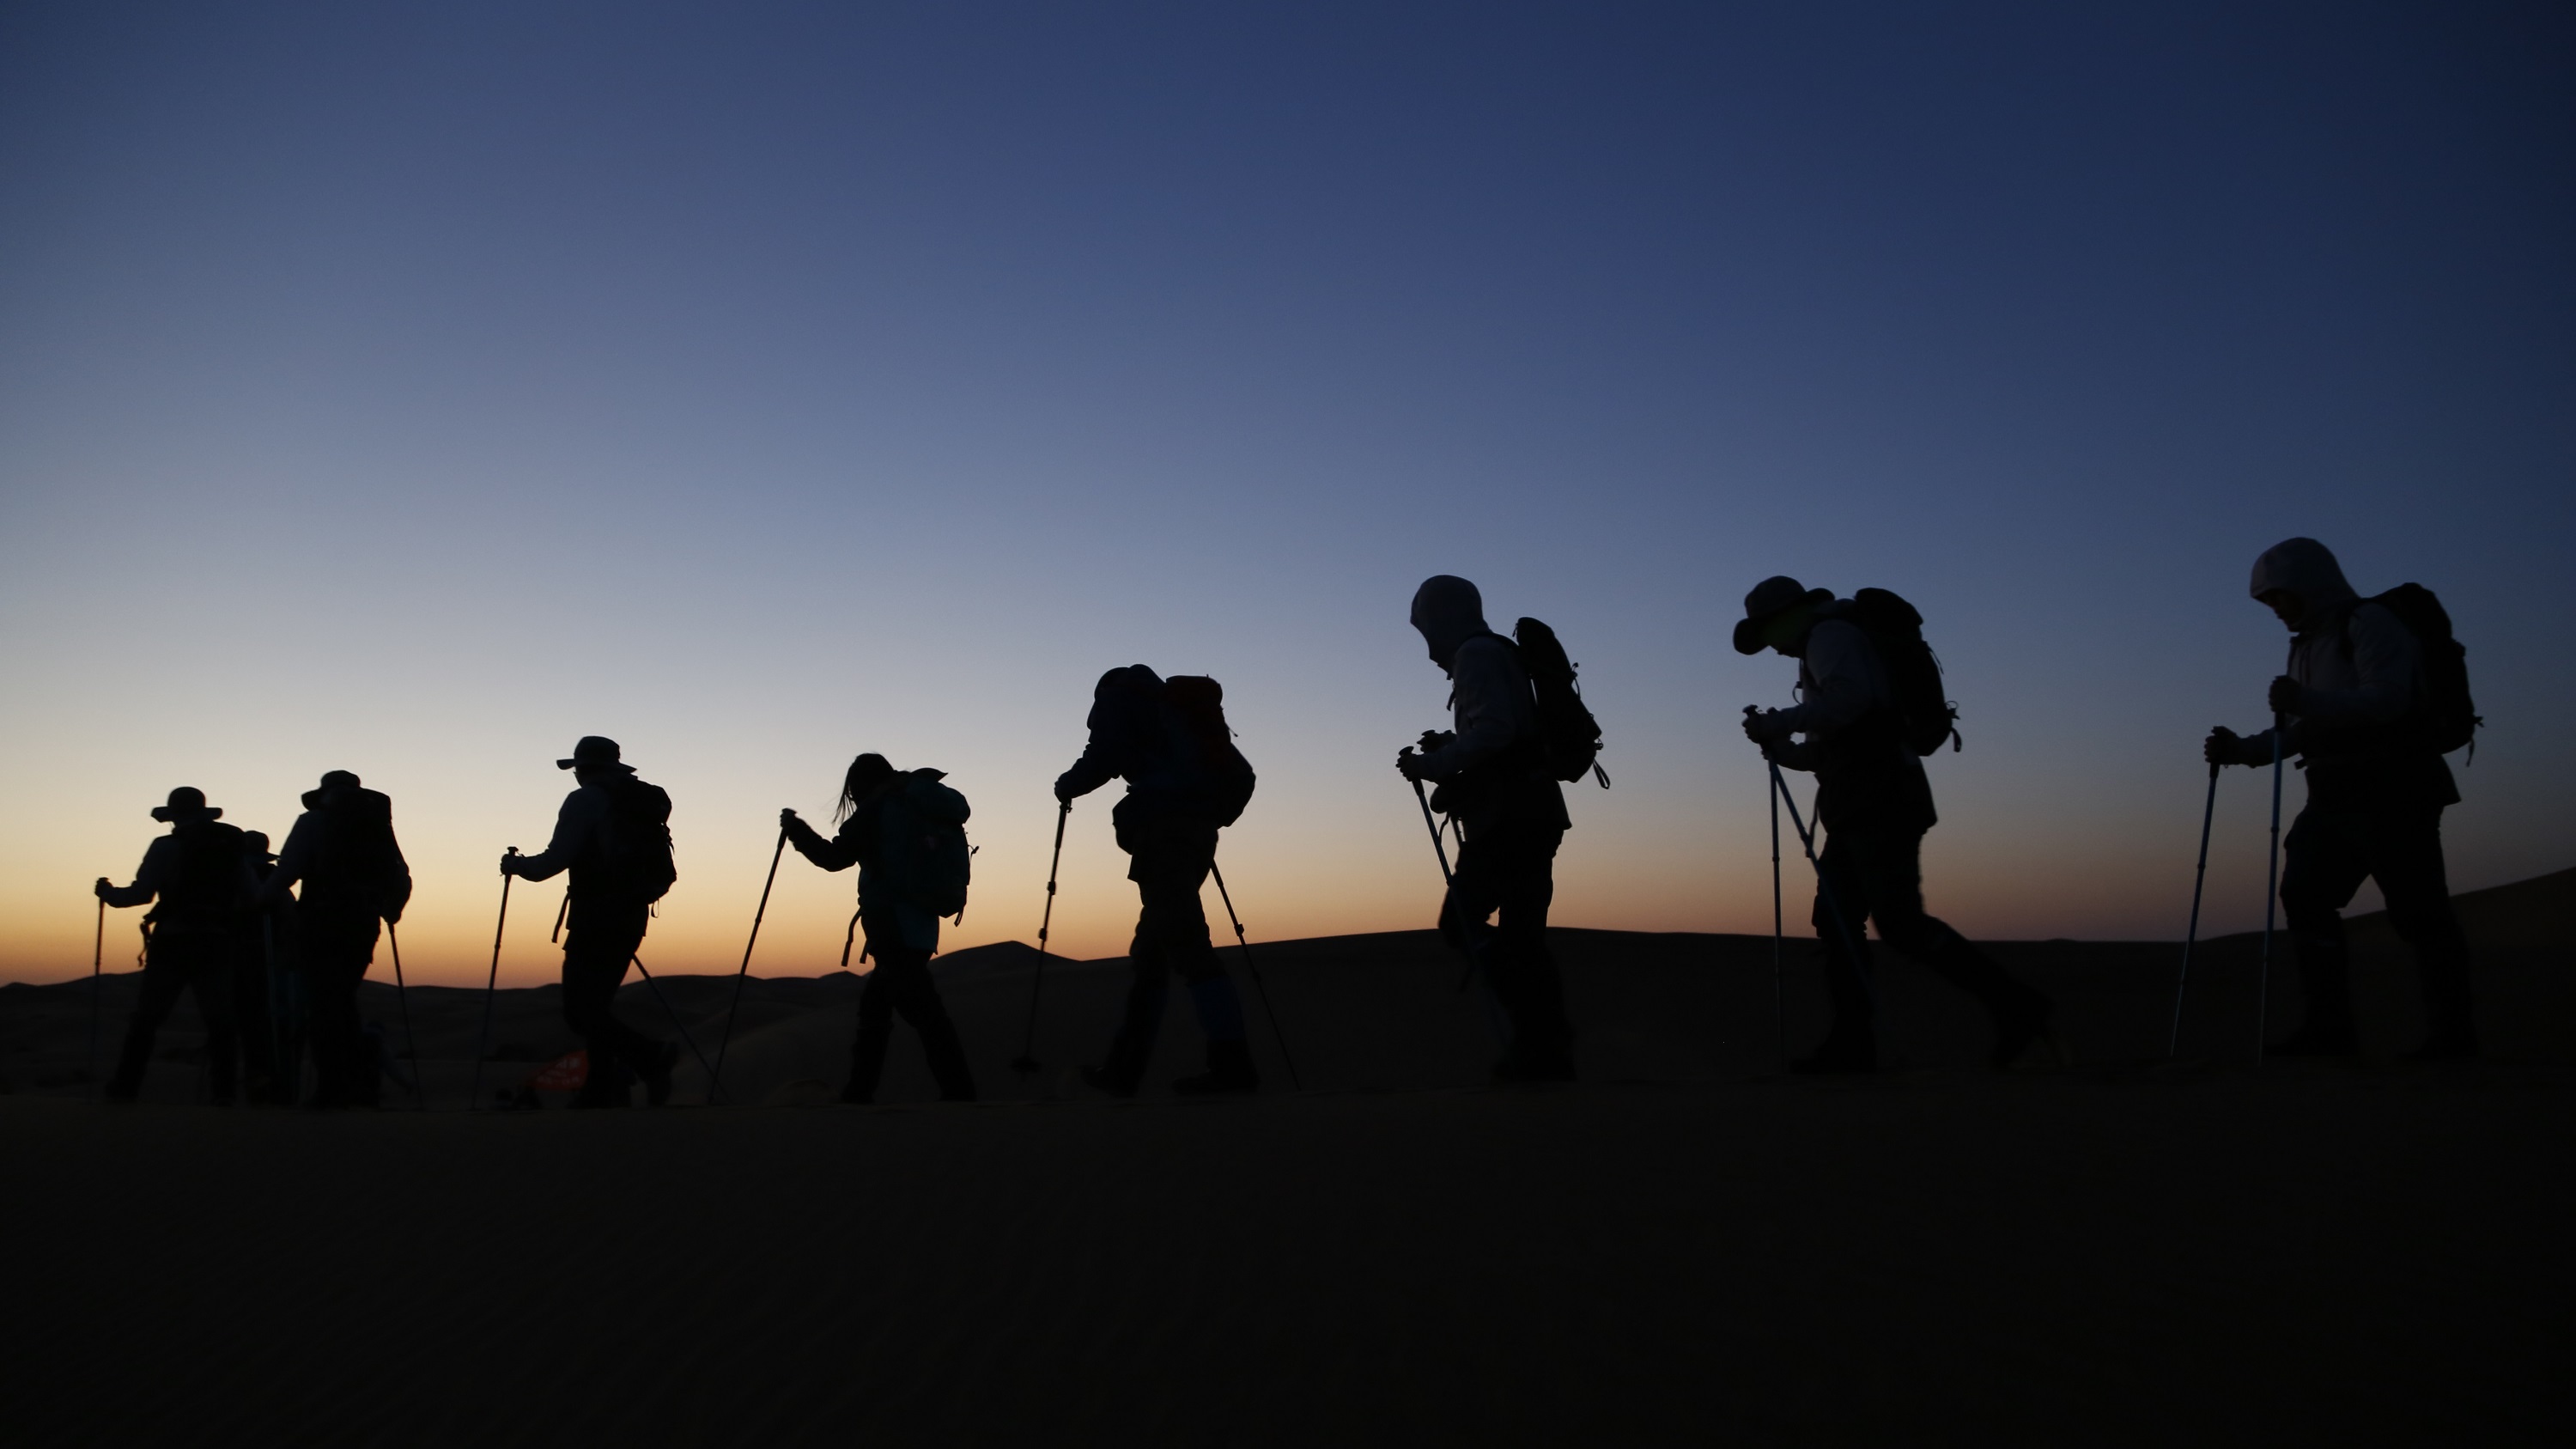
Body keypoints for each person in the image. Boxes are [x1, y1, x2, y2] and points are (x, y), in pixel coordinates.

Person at [1738, 575, 2051, 1073]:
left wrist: (1779, 723)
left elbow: (1851, 703)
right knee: (1839, 921)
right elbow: (1838, 738)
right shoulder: (1824, 642)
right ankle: (1851, 1046)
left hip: (1878, 798)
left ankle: (2020, 1007)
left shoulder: (1830, 638)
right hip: (1861, 799)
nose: (1772, 648)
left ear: (1785, 618)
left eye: (1768, 633)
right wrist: (1785, 749)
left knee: (1897, 922)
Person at [2204, 538, 2477, 1059]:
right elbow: (2306, 728)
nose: (2276, 610)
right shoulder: (2308, 644)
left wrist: (2303, 701)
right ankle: (2328, 1030)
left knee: (2418, 912)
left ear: (2309, 585)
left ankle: (2453, 1037)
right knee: (2306, 897)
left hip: (2395, 787)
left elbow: (2389, 699)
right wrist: (2241, 751)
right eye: (2269, 602)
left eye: (2279, 597)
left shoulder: (2368, 624)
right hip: (2332, 791)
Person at [1395, 575, 1577, 1083]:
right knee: (1523, 934)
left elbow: (1496, 731)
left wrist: (1431, 767)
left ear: (1442, 620)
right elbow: (1502, 730)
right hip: (1532, 810)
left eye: (1426, 630)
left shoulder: (1476, 655)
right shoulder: (1495, 654)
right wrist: (1450, 750)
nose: (1427, 645)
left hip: (1509, 817)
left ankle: (1540, 1038)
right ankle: (1544, 1049)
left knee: (1464, 924)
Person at [1057, 667, 1261, 1096]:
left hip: (1164, 833)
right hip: (1196, 832)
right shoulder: (1177, 712)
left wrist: (1068, 785)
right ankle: (1122, 1073)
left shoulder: (1120, 698)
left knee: (1187, 947)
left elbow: (1105, 754)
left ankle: (1232, 1069)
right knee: (1152, 953)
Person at [781, 753, 978, 1104]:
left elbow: (832, 858)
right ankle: (862, 1091)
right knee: (882, 1006)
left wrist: (797, 832)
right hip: (920, 923)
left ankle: (956, 1093)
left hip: (891, 923)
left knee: (921, 1011)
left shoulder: (877, 811)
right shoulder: (914, 803)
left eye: (854, 792)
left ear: (861, 786)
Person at [501, 736, 680, 1106]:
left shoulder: (586, 800)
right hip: (631, 913)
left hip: (595, 916)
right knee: (596, 1007)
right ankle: (602, 1090)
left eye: (577, 769)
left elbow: (556, 859)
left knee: (580, 1011)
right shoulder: (634, 801)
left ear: (583, 768)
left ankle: (650, 1057)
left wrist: (518, 866)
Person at [95, 788, 258, 1104]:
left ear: (173, 816)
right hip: (217, 941)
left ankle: (125, 1088)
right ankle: (224, 1095)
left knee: (147, 1018)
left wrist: (108, 894)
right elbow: (251, 895)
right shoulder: (230, 850)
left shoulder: (165, 847)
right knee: (220, 1021)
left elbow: (141, 895)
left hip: (174, 940)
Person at [261, 771, 410, 1108]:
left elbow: (288, 870)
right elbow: (401, 874)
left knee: (324, 1004)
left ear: (324, 793)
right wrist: (392, 910)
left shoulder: (313, 821)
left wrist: (258, 899)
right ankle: (356, 1087)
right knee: (342, 1000)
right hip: (363, 921)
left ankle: (333, 1089)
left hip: (321, 919)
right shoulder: (377, 826)